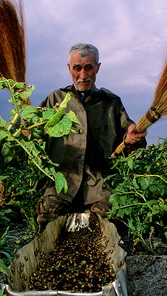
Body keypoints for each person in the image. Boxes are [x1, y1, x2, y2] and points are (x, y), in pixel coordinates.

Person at [36, 43, 147, 230]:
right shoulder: (55, 100)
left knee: (107, 223)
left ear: (98, 67)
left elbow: (130, 142)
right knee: (47, 219)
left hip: (99, 185)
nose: (83, 75)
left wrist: (133, 140)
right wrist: (25, 130)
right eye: (77, 68)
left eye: (89, 67)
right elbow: (33, 134)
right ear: (69, 68)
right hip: (61, 184)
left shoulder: (111, 103)